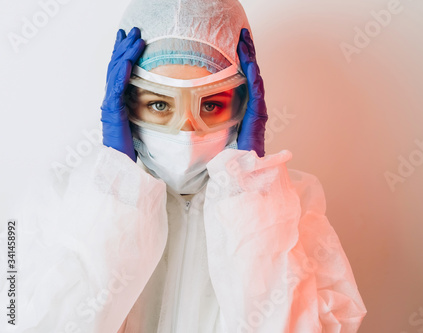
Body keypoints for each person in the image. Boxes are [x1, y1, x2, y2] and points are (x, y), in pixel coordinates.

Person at [7, 0, 366, 332]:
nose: (186, 130)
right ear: (125, 103)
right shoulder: (58, 196)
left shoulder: (290, 208)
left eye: (210, 105)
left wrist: (249, 196)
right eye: (160, 105)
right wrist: (115, 190)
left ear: (245, 106)